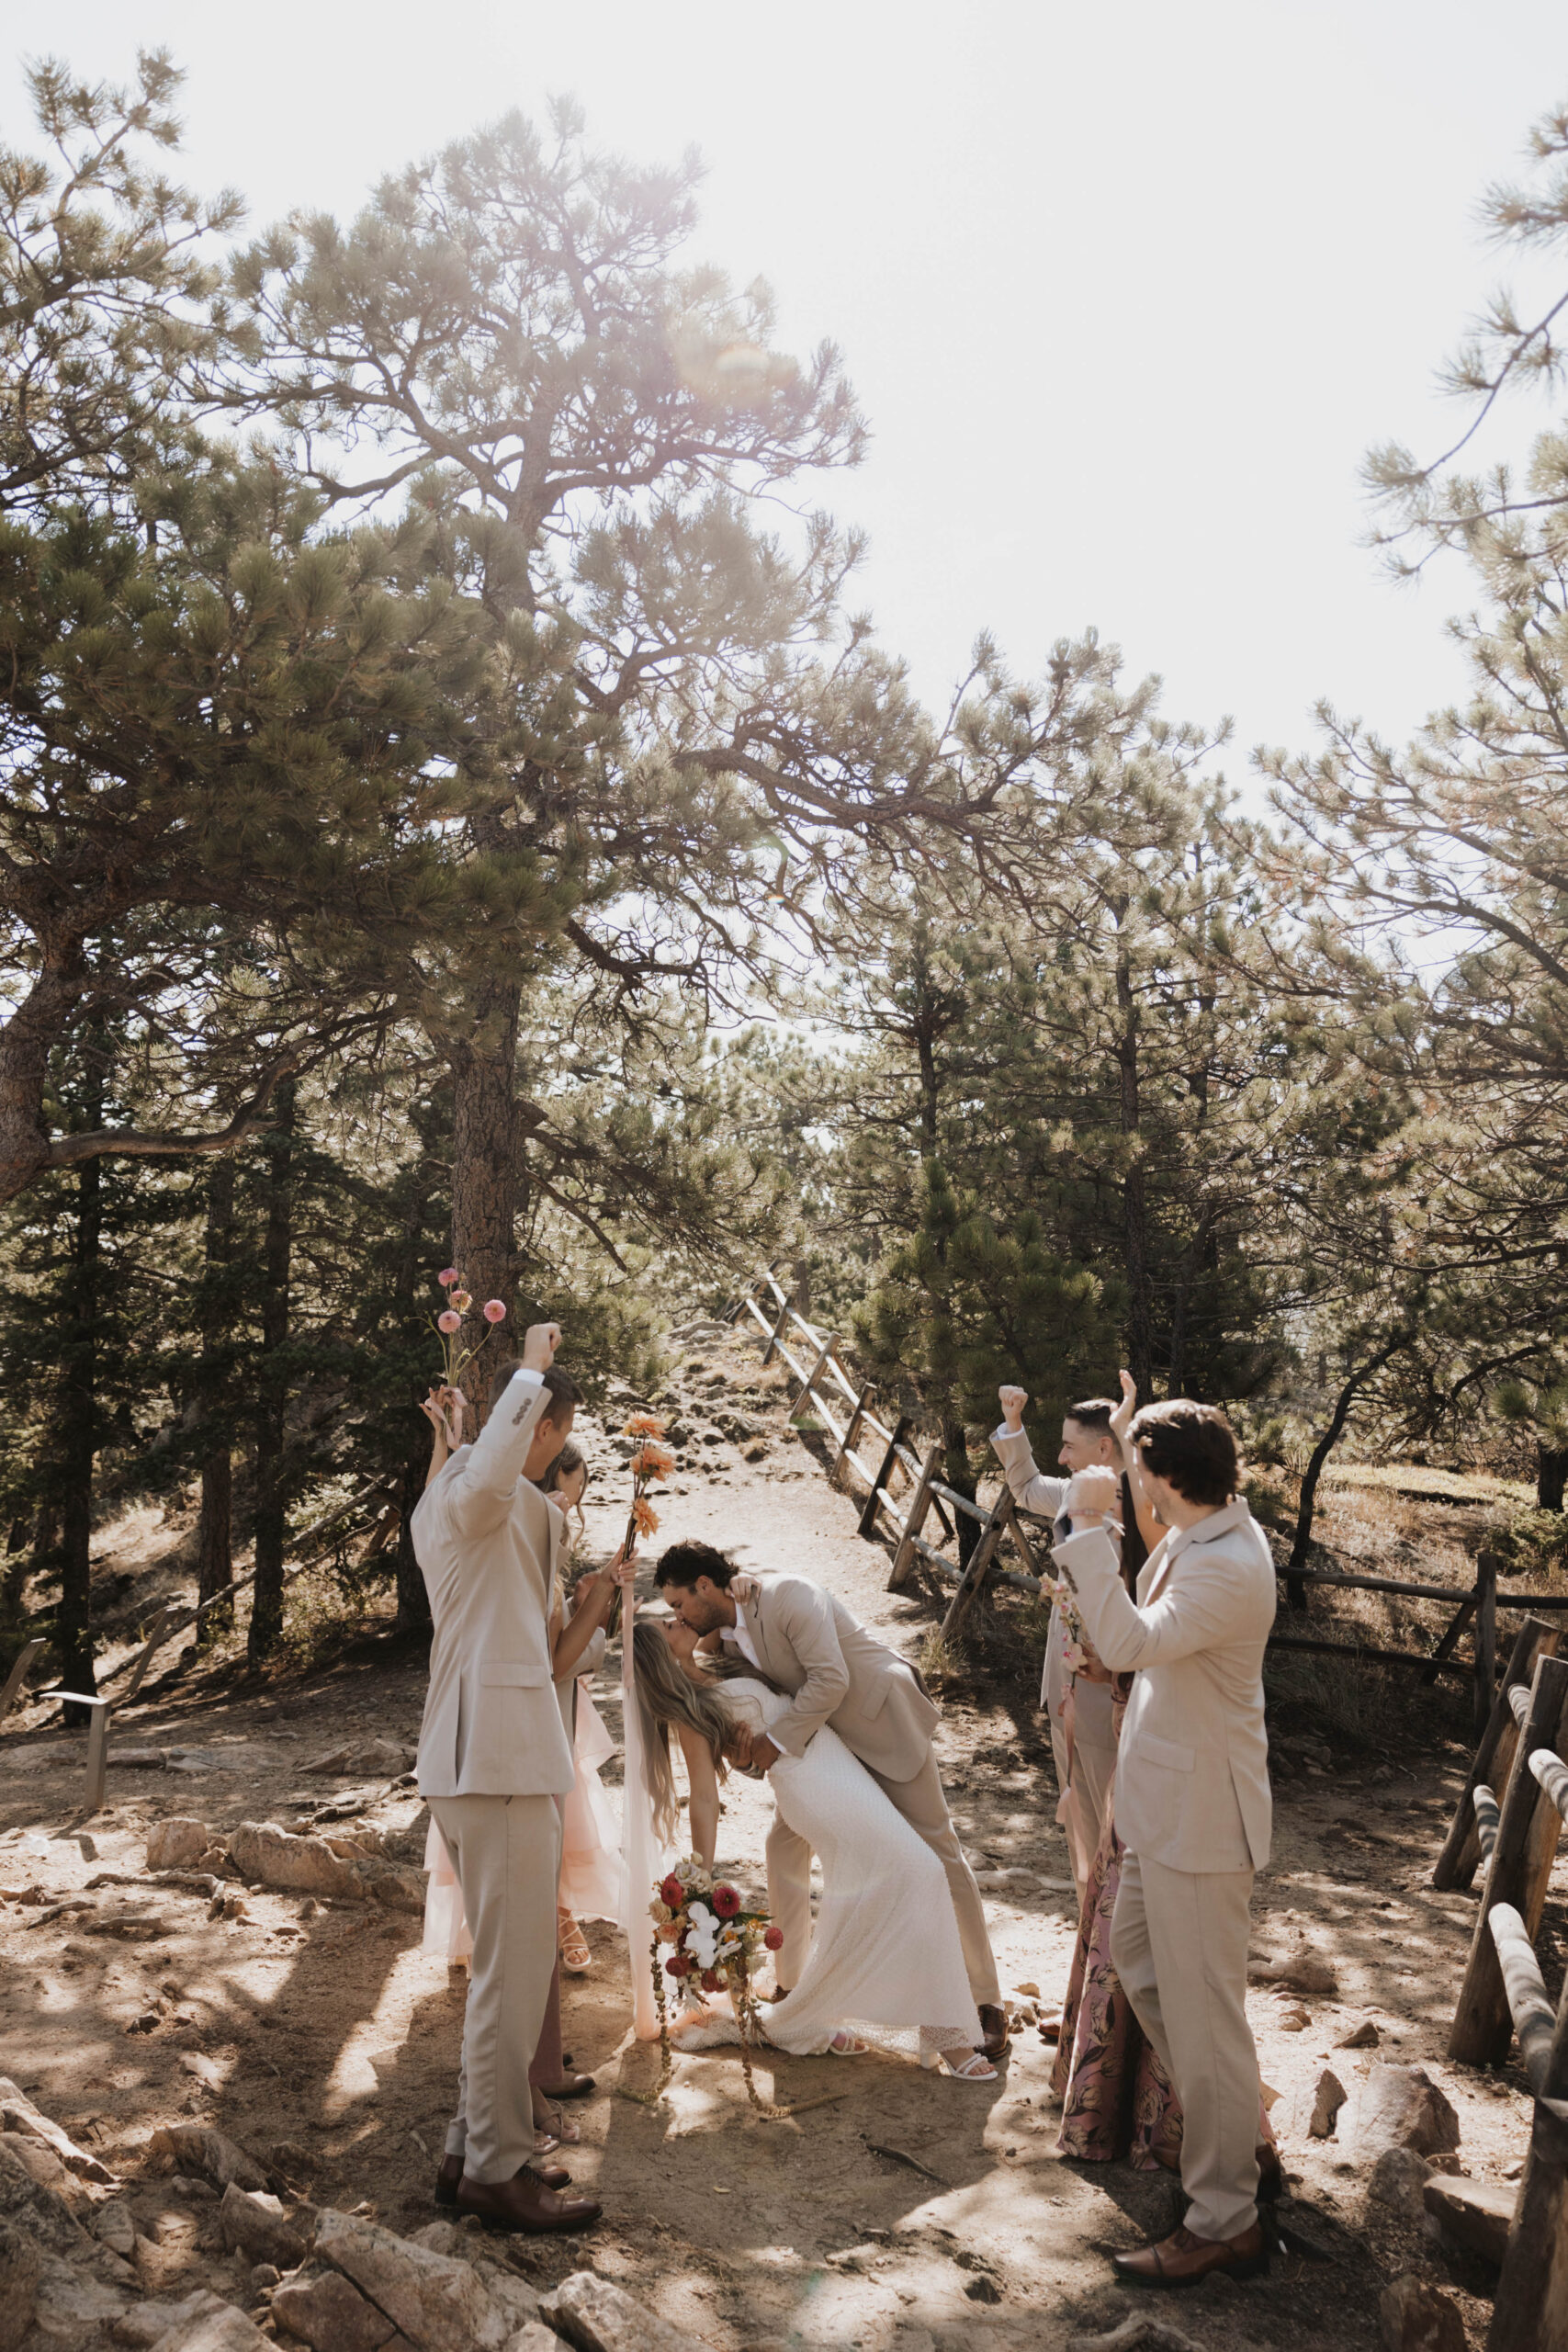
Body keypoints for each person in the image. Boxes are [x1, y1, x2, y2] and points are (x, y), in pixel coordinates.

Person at [1051, 1378, 1276, 2290]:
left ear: (1164, 1476)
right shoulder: (1199, 1530)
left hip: (1203, 1824)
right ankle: (1227, 2124)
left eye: (1133, 1466)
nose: (1123, 1477)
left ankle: (1224, 2216)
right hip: (1161, 1814)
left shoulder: (1227, 1563)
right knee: (1143, 1970)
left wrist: (1085, 1542)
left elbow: (1136, 1645)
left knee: (1205, 2014)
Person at [652, 1541, 1009, 2061]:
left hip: (878, 1723)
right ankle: (794, 1987)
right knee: (782, 1846)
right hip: (825, 1754)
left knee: (939, 1854)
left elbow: (831, 1678)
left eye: (678, 1603)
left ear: (704, 1587)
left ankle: (984, 2003)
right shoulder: (723, 1642)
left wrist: (772, 1747)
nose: (676, 1615)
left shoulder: (791, 1595)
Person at [411, 1329, 603, 2236]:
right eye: (550, 1426)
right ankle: (496, 2168)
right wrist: (526, 1367)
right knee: (513, 1974)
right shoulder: (470, 1494)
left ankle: (468, 2147)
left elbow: (538, 1628)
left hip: (493, 1753)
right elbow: (487, 1482)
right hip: (492, 1757)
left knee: (509, 1969)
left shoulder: (487, 1500)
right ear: (545, 1425)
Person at [989, 1390, 1145, 1895]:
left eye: (1069, 1447)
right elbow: (1028, 1486)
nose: (1061, 1458)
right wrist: (1013, 1423)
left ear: (1104, 1449)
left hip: (1110, 1694)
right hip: (1064, 1688)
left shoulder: (1146, 1515)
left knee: (1110, 1823)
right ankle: (1089, 1926)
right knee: (1077, 1816)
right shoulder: (1074, 1492)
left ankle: (1113, 1941)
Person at [538, 1444, 620, 1973]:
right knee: (551, 1815)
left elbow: (553, 1629)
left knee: (561, 1817)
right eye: (573, 1491)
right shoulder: (533, 1533)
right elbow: (554, 1655)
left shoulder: (552, 1536)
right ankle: (557, 1919)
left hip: (557, 1696)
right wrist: (594, 1610)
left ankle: (560, 1915)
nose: (575, 1505)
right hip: (539, 1697)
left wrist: (584, 1604)